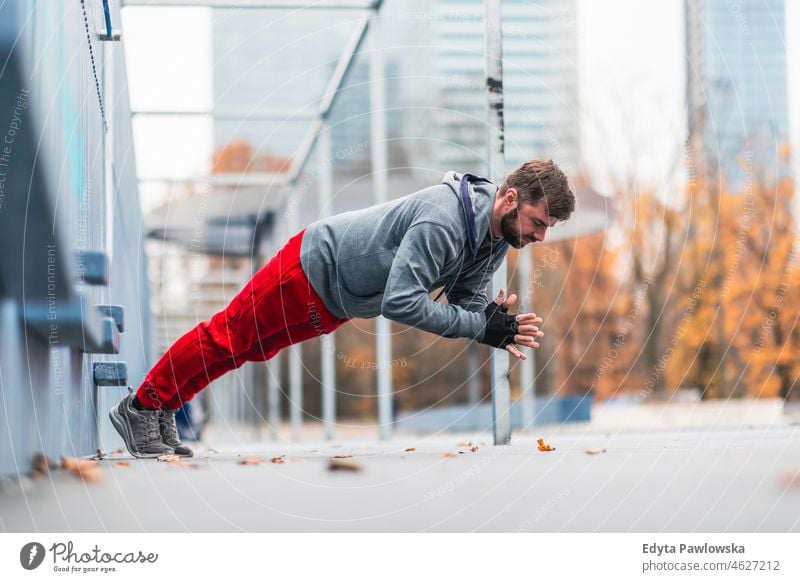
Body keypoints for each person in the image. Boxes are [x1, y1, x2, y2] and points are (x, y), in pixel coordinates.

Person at [109, 159, 575, 458]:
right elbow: (402, 301)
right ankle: (143, 403)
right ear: (510, 198)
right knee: (227, 335)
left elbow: (466, 301)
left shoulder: (495, 239)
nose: (540, 236)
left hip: (334, 301)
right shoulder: (444, 218)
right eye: (538, 222)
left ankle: (161, 407)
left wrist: (492, 322)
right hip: (309, 268)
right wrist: (475, 327)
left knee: (244, 350)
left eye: (547, 227)